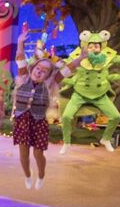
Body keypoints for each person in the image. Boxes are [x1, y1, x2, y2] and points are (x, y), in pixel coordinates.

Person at [12, 25, 85, 189]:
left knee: (38, 154)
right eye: (38, 68)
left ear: (48, 74)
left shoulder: (51, 83)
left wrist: (81, 58)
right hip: (22, 119)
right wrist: (20, 42)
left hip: (38, 121)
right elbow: (19, 57)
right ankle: (27, 175)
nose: (39, 72)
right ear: (33, 68)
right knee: (23, 154)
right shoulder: (23, 77)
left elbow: (68, 68)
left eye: (44, 71)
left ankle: (42, 175)